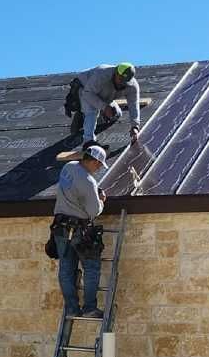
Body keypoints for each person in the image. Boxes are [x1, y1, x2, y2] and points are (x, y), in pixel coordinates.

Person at [50, 143, 108, 318]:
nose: (98, 168)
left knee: (66, 269)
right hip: (79, 230)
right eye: (98, 164)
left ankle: (71, 308)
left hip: (61, 228)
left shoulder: (68, 167)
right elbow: (93, 211)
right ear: (92, 161)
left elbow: (74, 189)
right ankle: (89, 308)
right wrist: (102, 201)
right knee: (91, 267)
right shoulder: (89, 182)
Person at [69, 63, 141, 146]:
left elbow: (133, 105)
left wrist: (135, 127)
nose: (121, 83)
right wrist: (104, 107)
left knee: (116, 114)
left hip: (104, 93)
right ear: (116, 73)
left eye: (124, 81)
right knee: (92, 111)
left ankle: (81, 118)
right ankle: (88, 142)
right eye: (120, 79)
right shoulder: (101, 74)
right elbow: (88, 93)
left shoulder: (132, 86)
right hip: (85, 89)